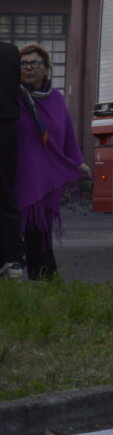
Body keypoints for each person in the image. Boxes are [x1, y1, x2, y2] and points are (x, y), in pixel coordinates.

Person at [15, 45, 86, 279]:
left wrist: (77, 161)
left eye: (35, 64)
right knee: (14, 227)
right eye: (24, 64)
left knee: (39, 229)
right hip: (17, 174)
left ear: (46, 69)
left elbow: (66, 133)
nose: (29, 68)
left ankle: (43, 278)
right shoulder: (12, 97)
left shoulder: (55, 98)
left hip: (45, 177)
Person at [0, 43, 24, 280]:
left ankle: (9, 258)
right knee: (7, 195)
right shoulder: (10, 51)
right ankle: (14, 258)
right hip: (8, 129)